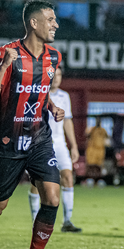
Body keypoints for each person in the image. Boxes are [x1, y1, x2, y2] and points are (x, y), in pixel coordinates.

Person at [0, 0, 63, 249]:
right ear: (34, 23)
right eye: (50, 19)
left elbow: (38, 91)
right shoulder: (6, 54)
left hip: (39, 139)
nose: (56, 24)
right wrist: (4, 66)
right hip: (6, 143)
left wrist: (50, 106)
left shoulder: (54, 57)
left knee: (52, 197)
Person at [28, 66, 81, 233]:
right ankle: (35, 221)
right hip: (40, 143)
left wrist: (73, 145)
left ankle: (67, 221)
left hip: (59, 142)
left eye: (59, 75)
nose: (57, 78)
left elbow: (67, 121)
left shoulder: (64, 96)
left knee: (67, 177)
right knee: (38, 182)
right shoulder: (37, 94)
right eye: (53, 75)